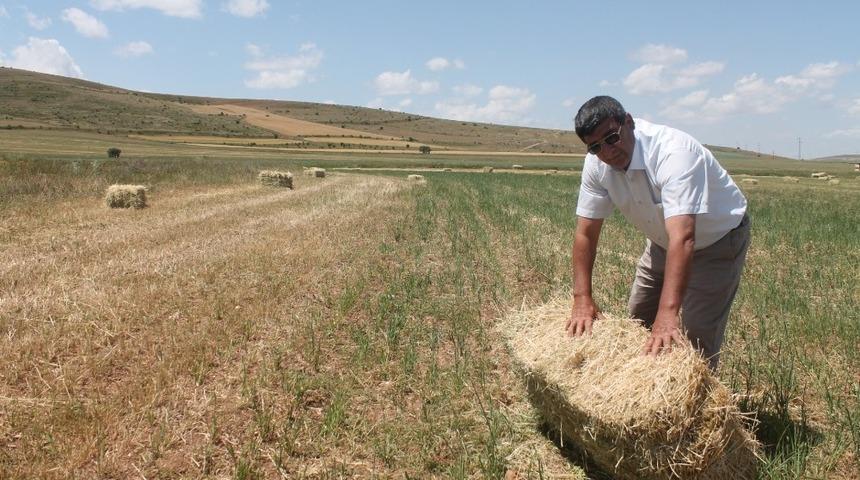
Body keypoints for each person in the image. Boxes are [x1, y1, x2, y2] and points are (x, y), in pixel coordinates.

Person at [567, 96, 750, 369]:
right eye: (595, 146)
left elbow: (684, 237)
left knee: (695, 340)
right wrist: (582, 298)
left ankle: (697, 406)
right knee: (638, 322)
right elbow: (585, 234)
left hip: (716, 242)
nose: (606, 151)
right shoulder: (597, 165)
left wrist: (667, 315)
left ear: (628, 122)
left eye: (611, 138)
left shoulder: (674, 152)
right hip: (662, 243)